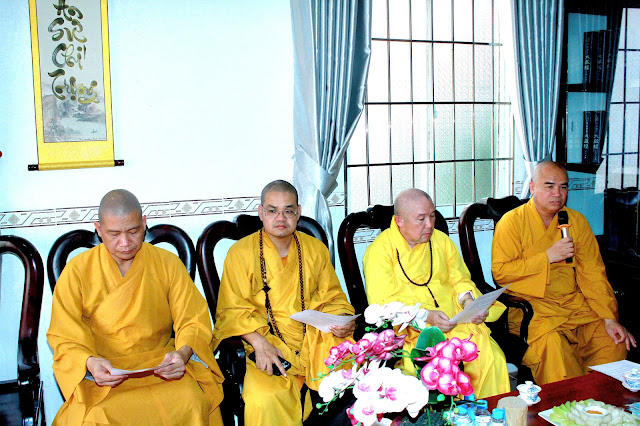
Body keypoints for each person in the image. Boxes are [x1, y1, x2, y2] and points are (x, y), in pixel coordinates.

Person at [47, 189, 224, 425]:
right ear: (98, 229)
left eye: (133, 231)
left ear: (144, 223)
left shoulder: (167, 263)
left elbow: (193, 319)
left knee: (192, 401)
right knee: (97, 416)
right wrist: (89, 362)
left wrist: (182, 354)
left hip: (162, 368)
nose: (125, 243)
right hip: (106, 375)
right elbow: (64, 335)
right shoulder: (77, 271)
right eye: (114, 234)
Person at [213, 180, 356, 425]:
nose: (281, 218)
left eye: (288, 211)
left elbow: (333, 297)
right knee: (263, 399)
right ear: (260, 212)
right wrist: (258, 343)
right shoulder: (240, 254)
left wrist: (343, 320)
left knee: (350, 385)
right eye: (272, 210)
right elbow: (231, 311)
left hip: (315, 342)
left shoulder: (315, 249)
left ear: (298, 212)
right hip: (268, 345)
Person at [492, 161, 637, 385]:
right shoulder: (512, 222)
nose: (557, 194)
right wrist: (547, 257)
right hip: (535, 309)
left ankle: (596, 400)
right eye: (549, 186)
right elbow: (501, 273)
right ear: (532, 187)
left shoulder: (576, 221)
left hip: (575, 306)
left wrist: (609, 317)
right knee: (554, 350)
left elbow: (593, 273)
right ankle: (570, 402)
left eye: (563, 187)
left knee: (613, 342)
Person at [363, 188, 511, 399]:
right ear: (399, 221)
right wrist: (426, 316)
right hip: (415, 332)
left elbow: (460, 278)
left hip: (456, 321)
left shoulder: (441, 241)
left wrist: (468, 302)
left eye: (432, 216)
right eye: (421, 219)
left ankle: (487, 414)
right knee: (444, 369)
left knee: (491, 356)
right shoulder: (379, 252)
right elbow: (383, 304)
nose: (430, 225)